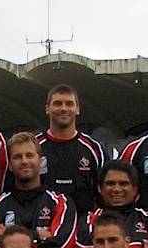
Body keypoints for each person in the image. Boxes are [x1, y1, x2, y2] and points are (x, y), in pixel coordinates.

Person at [0, 133, 77, 248]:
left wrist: (8, 236)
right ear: (9, 165)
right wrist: (40, 236)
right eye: (17, 157)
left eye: (29, 155)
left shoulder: (61, 203)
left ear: (41, 161)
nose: (24, 161)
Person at [36, 83, 106, 213]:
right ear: (47, 109)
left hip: (83, 222)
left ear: (77, 109)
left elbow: (104, 193)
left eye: (69, 104)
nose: (64, 108)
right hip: (43, 222)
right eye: (57, 104)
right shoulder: (34, 147)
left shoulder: (94, 150)